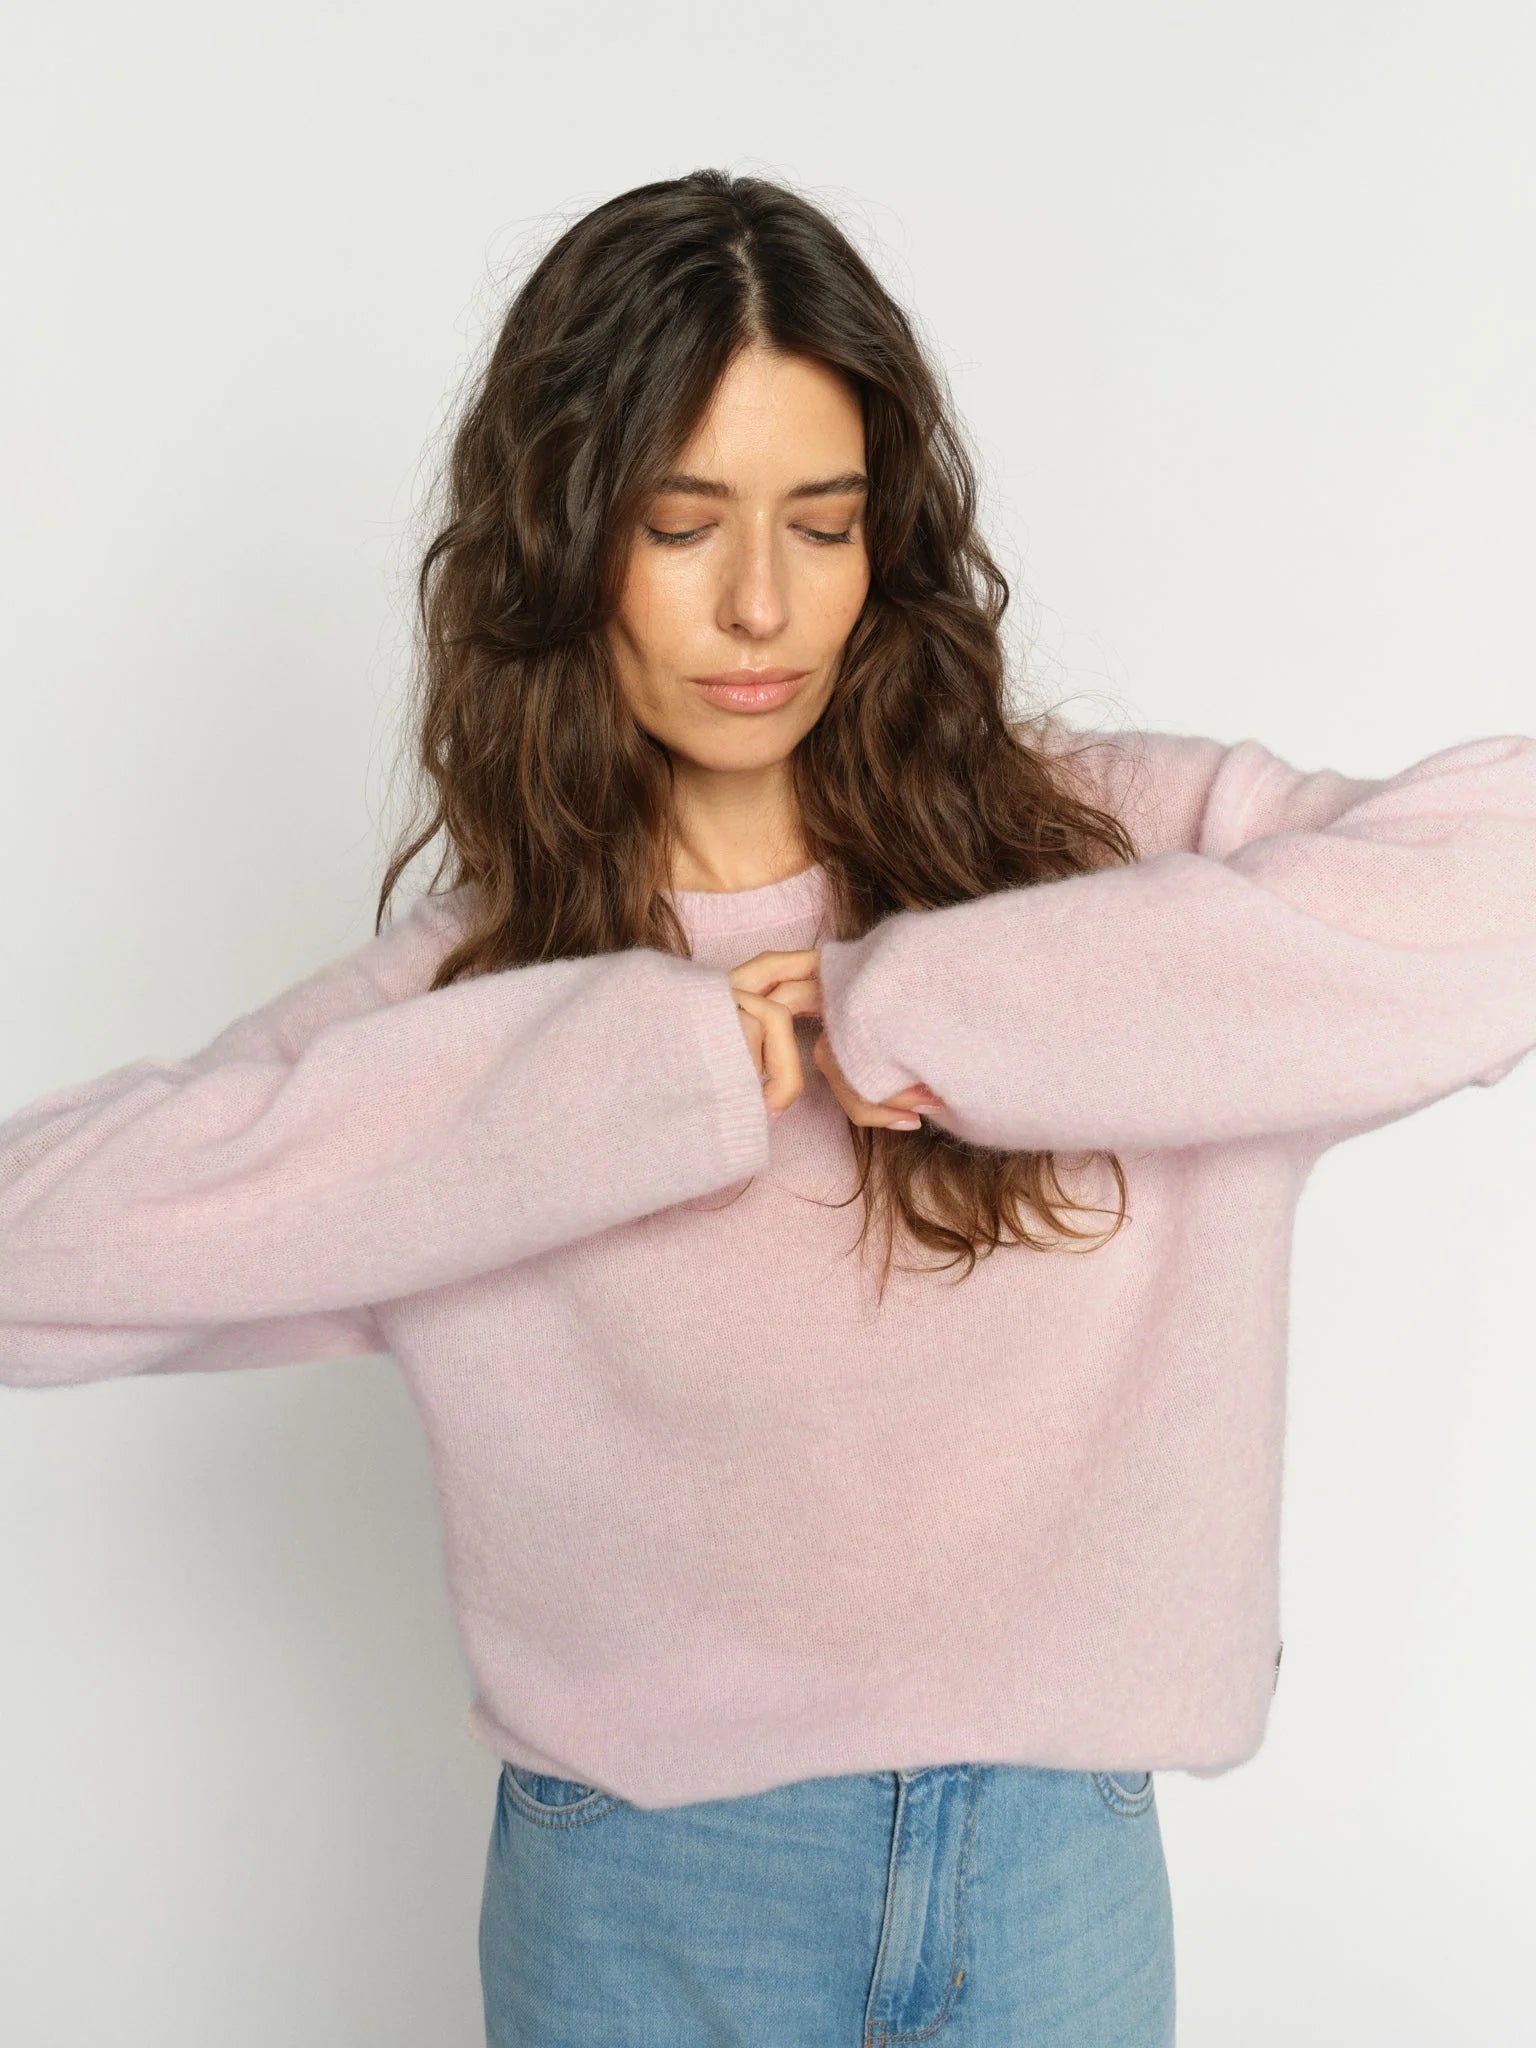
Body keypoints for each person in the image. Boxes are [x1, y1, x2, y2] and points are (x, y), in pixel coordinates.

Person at [3, 170, 1532, 2048]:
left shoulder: (1112, 854)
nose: (759, 604)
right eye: (679, 525)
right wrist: (621, 1081)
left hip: (1058, 1878)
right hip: (646, 1898)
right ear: (569, 549)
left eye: (823, 524)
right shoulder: (481, 1008)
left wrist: (943, 997)